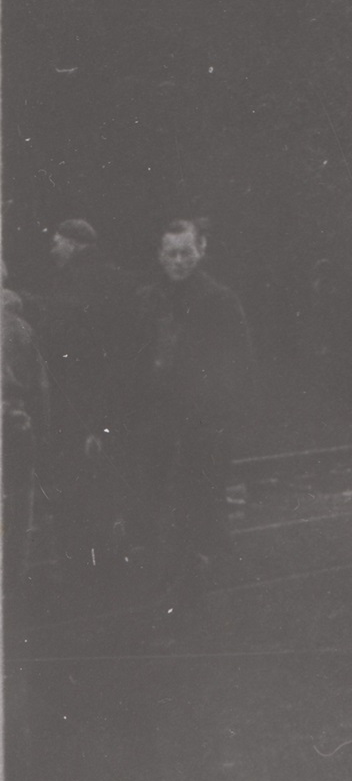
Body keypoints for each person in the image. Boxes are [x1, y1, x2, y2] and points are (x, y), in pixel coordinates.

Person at [131, 219, 253, 606]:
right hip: (156, 417)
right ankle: (172, 577)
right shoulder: (149, 298)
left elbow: (238, 363)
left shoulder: (219, 300)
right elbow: (135, 356)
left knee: (193, 499)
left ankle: (188, 584)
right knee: (157, 500)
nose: (179, 261)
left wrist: (218, 413)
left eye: (186, 252)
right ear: (159, 255)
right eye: (171, 253)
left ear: (201, 251)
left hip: (201, 420)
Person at [36, 218, 139, 587]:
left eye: (57, 241)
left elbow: (74, 344)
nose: (52, 249)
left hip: (79, 405)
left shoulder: (75, 283)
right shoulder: (119, 279)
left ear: (75, 243)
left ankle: (85, 572)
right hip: (112, 403)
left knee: (79, 487)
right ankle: (112, 563)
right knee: (108, 485)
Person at [3, 272, 49, 591]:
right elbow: (40, 388)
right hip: (16, 423)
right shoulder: (21, 328)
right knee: (17, 511)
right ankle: (12, 583)